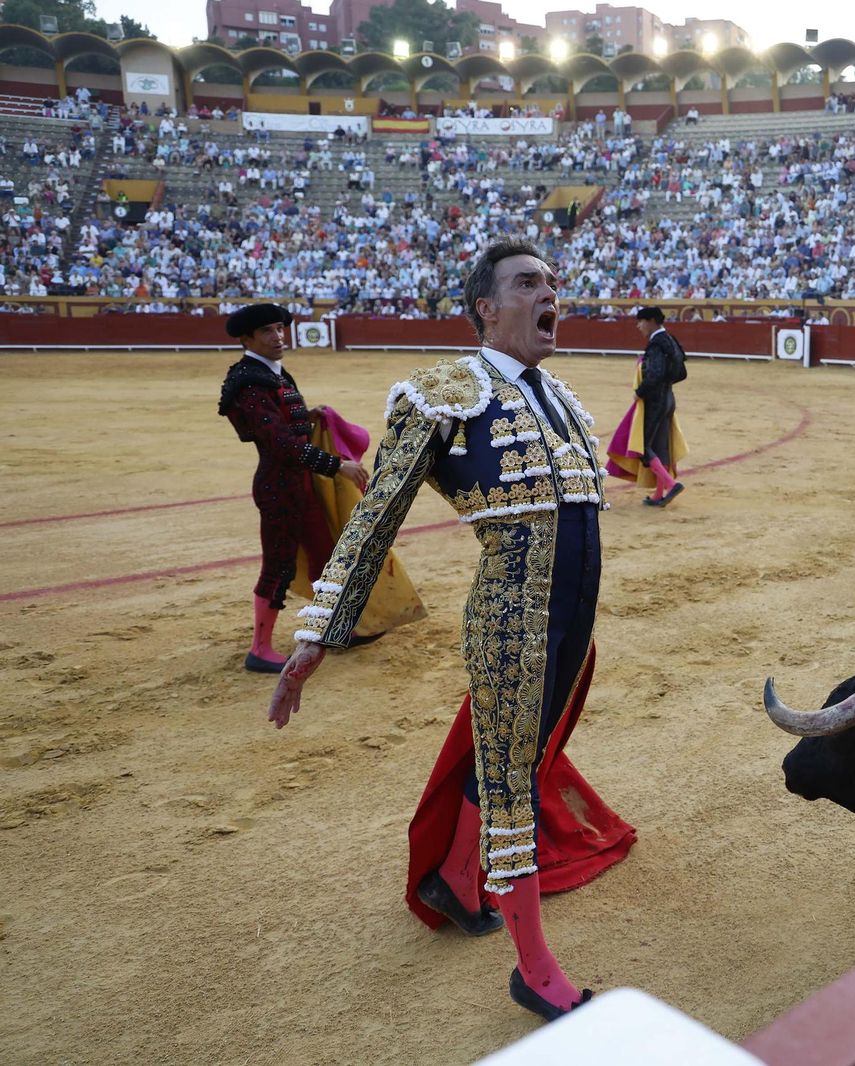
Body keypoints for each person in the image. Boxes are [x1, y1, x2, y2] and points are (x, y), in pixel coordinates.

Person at [268, 242, 629, 1020]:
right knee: (509, 782)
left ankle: (458, 881)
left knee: (522, 766)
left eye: (553, 282)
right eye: (527, 283)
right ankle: (534, 969)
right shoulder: (439, 393)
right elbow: (376, 515)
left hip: (573, 618)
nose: (549, 293)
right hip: (510, 621)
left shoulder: (561, 397)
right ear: (486, 309)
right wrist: (317, 633)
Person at [218, 303, 369, 673]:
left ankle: (331, 628)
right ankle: (260, 648)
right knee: (278, 565)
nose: (278, 336)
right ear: (246, 339)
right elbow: (279, 443)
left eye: (280, 328)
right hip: (278, 487)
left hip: (297, 483)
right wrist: (336, 465)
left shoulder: (271, 372)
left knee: (324, 555)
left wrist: (309, 416)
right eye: (267, 331)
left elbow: (287, 424)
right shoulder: (249, 381)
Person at [605, 306, 688, 507]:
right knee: (659, 446)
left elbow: (655, 373)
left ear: (651, 321)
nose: (638, 326)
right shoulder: (670, 340)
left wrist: (640, 392)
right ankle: (659, 494)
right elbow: (681, 372)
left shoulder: (656, 344)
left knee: (641, 446)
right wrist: (665, 384)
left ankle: (670, 484)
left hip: (655, 401)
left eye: (640, 321)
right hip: (669, 398)